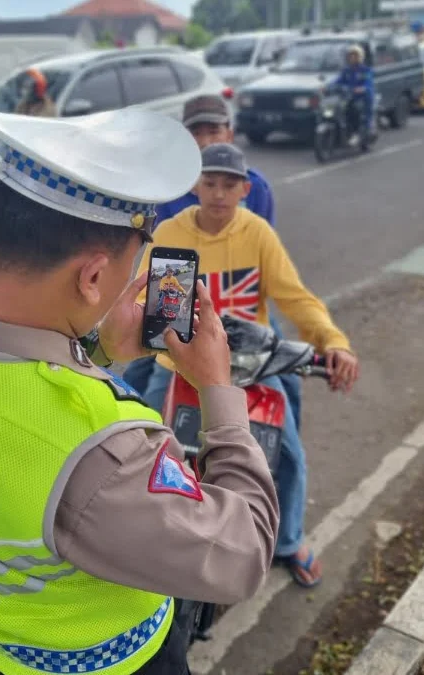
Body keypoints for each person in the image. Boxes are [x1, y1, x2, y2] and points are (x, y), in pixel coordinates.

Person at [0, 108, 279, 675]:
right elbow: (243, 551)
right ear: (91, 277)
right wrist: (216, 387)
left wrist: (97, 351)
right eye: (132, 261)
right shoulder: (103, 457)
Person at [137, 143, 360, 588]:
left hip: (252, 362)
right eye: (210, 183)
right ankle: (147, 534)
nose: (218, 193)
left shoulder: (257, 233)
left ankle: (290, 540)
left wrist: (335, 342)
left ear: (245, 189)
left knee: (288, 454)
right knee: (143, 442)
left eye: (229, 185)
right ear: (196, 186)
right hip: (180, 359)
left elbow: (293, 297)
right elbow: (154, 309)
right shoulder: (172, 235)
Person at [123, 94, 303, 431]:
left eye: (214, 131)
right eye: (197, 132)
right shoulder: (164, 191)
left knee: (287, 379)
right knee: (140, 380)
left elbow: (259, 253)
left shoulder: (258, 189)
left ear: (230, 134)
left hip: (236, 302)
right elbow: (157, 271)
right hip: (178, 302)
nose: (206, 141)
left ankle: (283, 447)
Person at [328, 44, 375, 145]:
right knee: (339, 108)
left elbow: (368, 82)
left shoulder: (365, 70)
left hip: (363, 98)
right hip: (350, 96)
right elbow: (338, 81)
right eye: (350, 56)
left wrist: (363, 88)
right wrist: (327, 86)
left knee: (354, 110)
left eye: (355, 55)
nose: (352, 58)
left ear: (360, 57)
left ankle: (357, 133)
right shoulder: (346, 70)